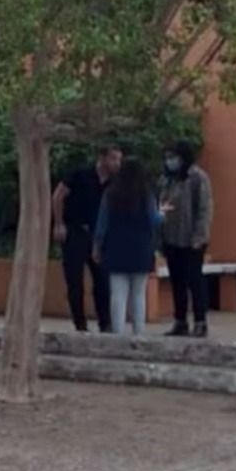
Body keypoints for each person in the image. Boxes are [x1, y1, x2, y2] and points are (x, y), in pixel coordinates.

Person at [52, 144, 123, 332]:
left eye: (119, 159)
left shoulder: (115, 184)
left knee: (102, 280)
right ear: (102, 158)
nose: (117, 163)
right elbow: (58, 195)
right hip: (75, 231)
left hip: (99, 236)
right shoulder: (80, 174)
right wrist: (59, 223)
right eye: (113, 158)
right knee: (75, 281)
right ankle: (80, 324)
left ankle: (105, 323)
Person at [94, 160, 166, 336]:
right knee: (139, 294)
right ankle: (138, 332)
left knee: (117, 294)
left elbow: (102, 224)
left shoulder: (110, 194)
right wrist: (163, 213)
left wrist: (97, 246)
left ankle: (117, 332)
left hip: (116, 248)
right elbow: (153, 220)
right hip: (141, 248)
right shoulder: (146, 195)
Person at [159, 140, 214, 337]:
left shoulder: (198, 178)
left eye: (173, 157)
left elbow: (204, 209)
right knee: (177, 282)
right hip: (171, 238)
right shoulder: (167, 180)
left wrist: (199, 236)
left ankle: (200, 321)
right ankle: (180, 321)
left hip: (192, 239)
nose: (170, 161)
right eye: (167, 157)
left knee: (194, 280)